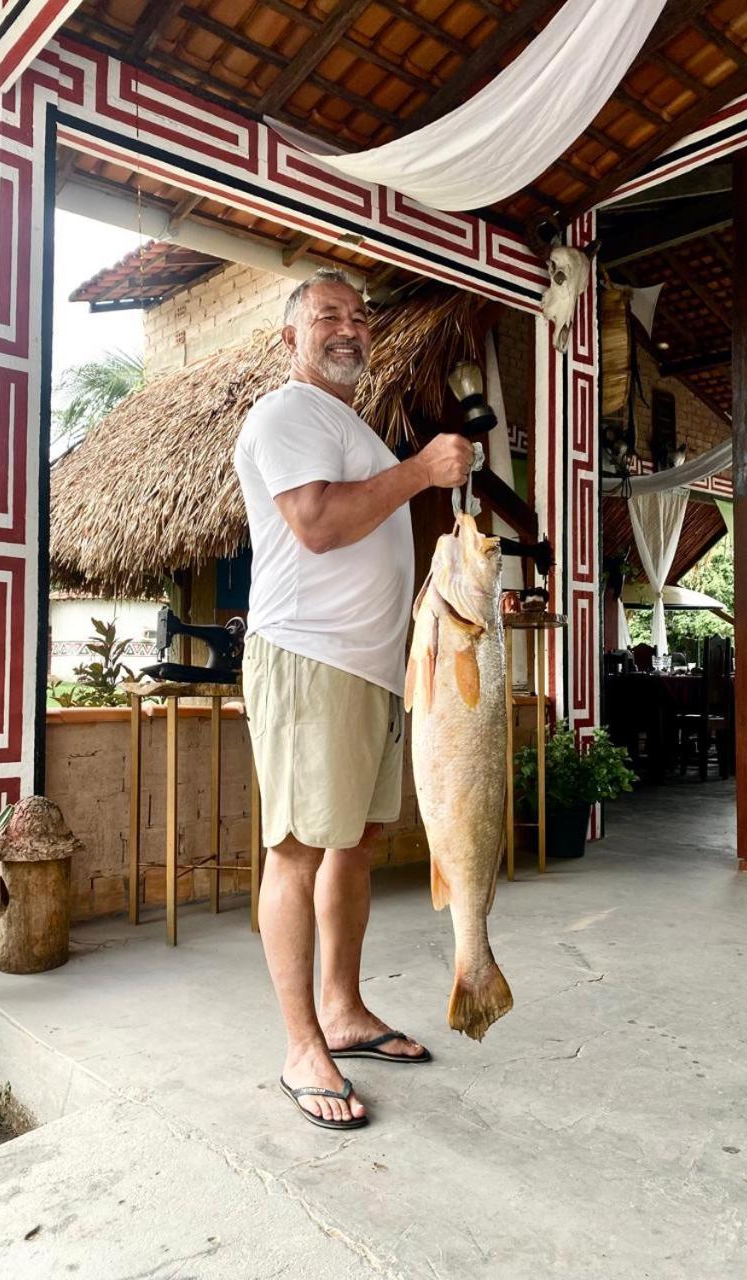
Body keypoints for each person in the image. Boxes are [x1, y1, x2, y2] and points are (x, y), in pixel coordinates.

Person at [234, 267, 473, 1130]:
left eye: (357, 316)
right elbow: (319, 523)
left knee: (357, 845)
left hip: (370, 669)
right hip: (310, 657)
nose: (347, 327)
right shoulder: (286, 412)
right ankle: (303, 1047)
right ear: (289, 338)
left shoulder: (349, 426)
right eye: (326, 315)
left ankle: (342, 1010)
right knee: (299, 846)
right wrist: (418, 472)